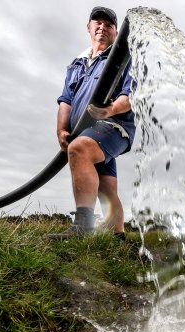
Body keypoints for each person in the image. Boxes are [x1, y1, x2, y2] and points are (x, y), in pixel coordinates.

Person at [50, 6, 135, 240]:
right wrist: (61, 130)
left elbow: (131, 95)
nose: (102, 27)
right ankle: (118, 239)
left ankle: (82, 228)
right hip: (84, 131)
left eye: (109, 25)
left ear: (116, 33)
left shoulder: (124, 56)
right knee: (107, 189)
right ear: (89, 28)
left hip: (114, 126)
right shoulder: (76, 65)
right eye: (97, 23)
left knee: (79, 150)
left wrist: (110, 110)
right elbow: (66, 100)